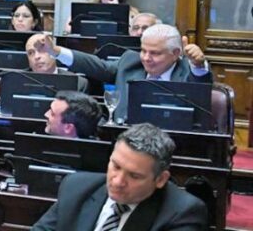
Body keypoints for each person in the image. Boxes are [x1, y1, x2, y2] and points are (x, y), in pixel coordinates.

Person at [31, 123, 207, 231]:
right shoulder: (76, 187)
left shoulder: (182, 213)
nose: (117, 181)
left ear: (160, 179)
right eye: (116, 166)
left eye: (134, 176)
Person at [30, 24, 211, 122]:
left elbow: (200, 90)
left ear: (176, 54)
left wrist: (198, 66)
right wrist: (56, 51)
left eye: (155, 53)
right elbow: (96, 66)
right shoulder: (130, 62)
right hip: (123, 140)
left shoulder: (188, 71)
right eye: (143, 50)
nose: (146, 58)